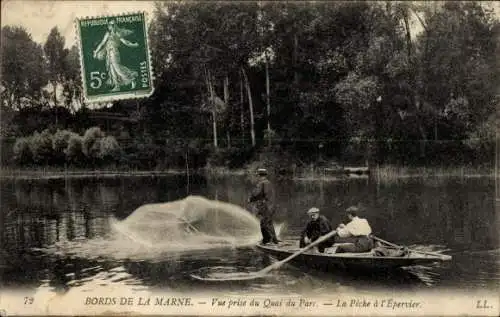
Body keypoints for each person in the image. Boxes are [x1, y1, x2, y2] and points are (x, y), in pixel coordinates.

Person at [93, 20, 139, 92]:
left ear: (115, 25)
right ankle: (117, 86)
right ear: (109, 26)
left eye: (113, 24)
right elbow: (102, 43)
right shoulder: (108, 34)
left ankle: (132, 79)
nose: (112, 26)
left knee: (117, 68)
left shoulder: (117, 33)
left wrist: (133, 45)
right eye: (111, 25)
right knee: (112, 70)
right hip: (108, 53)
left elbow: (125, 42)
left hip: (114, 52)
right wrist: (96, 52)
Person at [248, 168, 279, 244]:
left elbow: (257, 194)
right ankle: (270, 240)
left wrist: (250, 199)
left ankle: (270, 240)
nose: (257, 176)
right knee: (267, 223)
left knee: (265, 223)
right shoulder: (268, 182)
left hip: (266, 206)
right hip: (271, 206)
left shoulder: (262, 183)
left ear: (259, 175)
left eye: (257, 175)